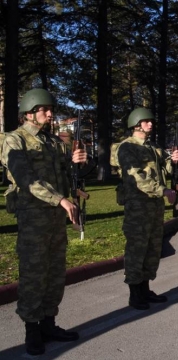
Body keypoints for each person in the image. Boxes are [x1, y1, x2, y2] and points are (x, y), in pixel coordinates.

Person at [2, 88, 87, 355]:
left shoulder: (52, 142)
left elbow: (72, 169)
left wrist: (81, 161)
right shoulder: (13, 140)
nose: (50, 114)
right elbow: (24, 178)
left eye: (51, 109)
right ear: (29, 112)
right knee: (34, 274)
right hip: (34, 216)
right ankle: (32, 330)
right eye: (44, 110)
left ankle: (49, 323)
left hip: (55, 217)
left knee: (54, 272)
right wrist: (59, 199)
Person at [116, 107, 178, 310]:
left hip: (154, 206)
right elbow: (137, 177)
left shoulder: (153, 148)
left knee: (152, 248)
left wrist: (176, 160)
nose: (151, 124)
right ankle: (135, 293)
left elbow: (170, 168)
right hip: (138, 205)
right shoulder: (127, 148)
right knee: (137, 248)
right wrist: (162, 190)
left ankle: (145, 288)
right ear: (136, 124)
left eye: (151, 121)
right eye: (146, 121)